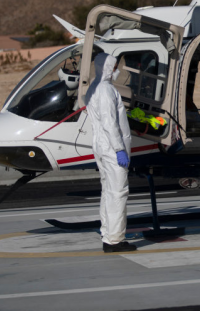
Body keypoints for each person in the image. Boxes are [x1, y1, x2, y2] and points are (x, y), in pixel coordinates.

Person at [86, 53, 136, 253]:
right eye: (115, 66)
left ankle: (108, 234)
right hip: (112, 149)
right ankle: (115, 240)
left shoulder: (94, 87)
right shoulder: (106, 90)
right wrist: (119, 149)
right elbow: (109, 123)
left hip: (101, 146)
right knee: (118, 193)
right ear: (106, 67)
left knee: (108, 192)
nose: (117, 70)